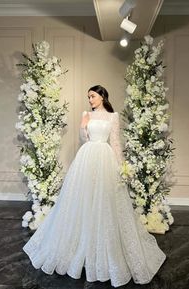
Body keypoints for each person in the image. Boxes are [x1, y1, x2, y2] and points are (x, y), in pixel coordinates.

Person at [23, 85, 166, 287]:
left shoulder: (112, 116)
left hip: (105, 158)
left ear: (102, 96)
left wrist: (121, 166)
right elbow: (84, 140)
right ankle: (79, 244)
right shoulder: (86, 115)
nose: (90, 99)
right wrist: (83, 125)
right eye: (88, 96)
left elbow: (115, 142)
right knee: (83, 198)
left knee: (106, 201)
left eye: (92, 96)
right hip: (87, 157)